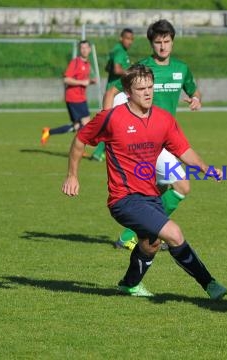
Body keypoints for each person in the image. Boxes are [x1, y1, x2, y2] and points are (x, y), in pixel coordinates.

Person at [61, 64, 227, 299]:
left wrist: (205, 167)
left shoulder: (163, 119)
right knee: (174, 233)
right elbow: (80, 140)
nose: (148, 92)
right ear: (128, 92)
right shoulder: (111, 118)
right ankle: (210, 284)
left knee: (150, 244)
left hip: (150, 196)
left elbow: (183, 150)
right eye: (141, 89)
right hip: (123, 199)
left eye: (150, 87)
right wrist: (72, 175)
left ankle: (129, 284)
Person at [102, 19, 202, 251]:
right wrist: (106, 121)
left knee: (161, 189)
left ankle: (138, 234)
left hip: (168, 139)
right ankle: (140, 232)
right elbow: (112, 90)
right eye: (158, 42)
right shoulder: (143, 68)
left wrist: (196, 98)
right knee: (182, 185)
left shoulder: (181, 68)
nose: (163, 46)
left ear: (172, 42)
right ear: (151, 43)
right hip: (147, 141)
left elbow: (192, 89)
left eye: (166, 41)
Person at [90, 28, 134, 162]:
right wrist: (131, 72)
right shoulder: (119, 51)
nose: (130, 42)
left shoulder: (116, 50)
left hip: (115, 92)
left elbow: (107, 68)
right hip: (117, 93)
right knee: (120, 124)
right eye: (127, 38)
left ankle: (101, 152)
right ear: (121, 38)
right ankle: (101, 152)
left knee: (115, 124)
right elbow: (116, 68)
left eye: (132, 39)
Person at [41, 40, 96, 145]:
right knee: (86, 124)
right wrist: (82, 82)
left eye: (86, 48)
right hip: (74, 98)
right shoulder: (75, 62)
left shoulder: (87, 64)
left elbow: (82, 80)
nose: (84, 50)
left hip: (81, 98)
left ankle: (48, 132)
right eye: (82, 48)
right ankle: (79, 148)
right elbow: (66, 79)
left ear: (89, 49)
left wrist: (90, 82)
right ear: (80, 50)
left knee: (77, 126)